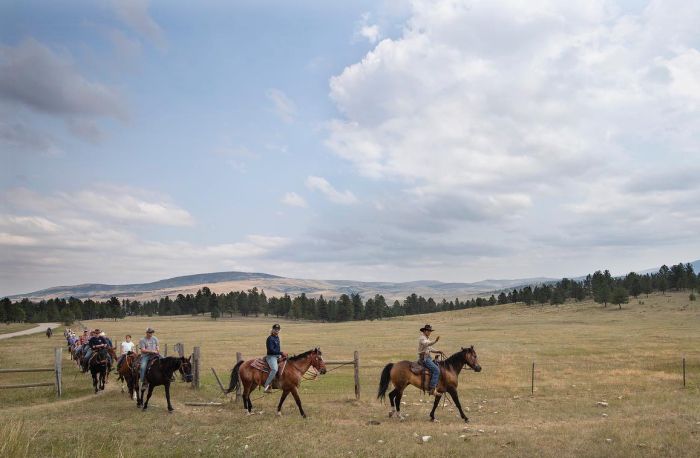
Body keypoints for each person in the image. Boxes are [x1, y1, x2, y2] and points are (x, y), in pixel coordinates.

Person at [418, 324, 444, 396]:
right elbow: (427, 344)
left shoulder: (426, 338)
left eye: (430, 331)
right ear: (425, 331)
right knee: (436, 370)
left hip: (428, 357)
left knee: (438, 366)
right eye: (428, 331)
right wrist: (435, 341)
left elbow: (429, 348)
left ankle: (436, 386)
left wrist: (437, 351)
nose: (430, 332)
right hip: (424, 358)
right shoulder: (422, 338)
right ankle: (432, 389)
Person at [263, 324, 287, 393]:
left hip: (277, 356)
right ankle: (266, 385)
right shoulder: (270, 338)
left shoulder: (277, 337)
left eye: (278, 329)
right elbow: (271, 350)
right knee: (274, 369)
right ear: (272, 330)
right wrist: (281, 353)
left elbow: (277, 349)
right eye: (275, 329)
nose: (277, 330)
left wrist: (282, 354)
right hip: (271, 357)